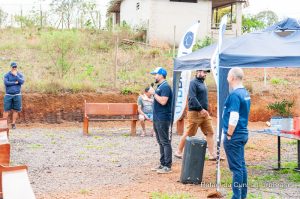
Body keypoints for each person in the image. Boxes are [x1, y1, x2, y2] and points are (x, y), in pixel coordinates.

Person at [174, 69, 218, 160]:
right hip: (195, 113)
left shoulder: (203, 83)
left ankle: (212, 154)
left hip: (204, 114)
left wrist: (205, 110)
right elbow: (192, 98)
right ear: (198, 72)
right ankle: (178, 152)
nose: (205, 74)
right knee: (189, 133)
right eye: (203, 72)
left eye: (206, 73)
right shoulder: (193, 83)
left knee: (210, 133)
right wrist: (200, 108)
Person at [222, 67, 251, 199]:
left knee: (236, 169)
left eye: (228, 75)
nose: (227, 77)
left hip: (235, 134)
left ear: (232, 77)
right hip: (243, 133)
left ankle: (236, 196)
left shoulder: (234, 94)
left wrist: (229, 134)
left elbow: (234, 116)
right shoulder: (245, 92)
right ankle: (242, 195)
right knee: (241, 166)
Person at [149, 67, 173, 174]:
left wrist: (154, 93)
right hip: (157, 118)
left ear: (161, 75)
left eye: (156, 74)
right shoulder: (160, 87)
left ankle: (167, 166)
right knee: (160, 142)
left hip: (163, 118)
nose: (155, 76)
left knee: (165, 142)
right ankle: (162, 163)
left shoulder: (166, 87)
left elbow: (163, 101)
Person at [3, 62, 25, 129]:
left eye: (15, 67)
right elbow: (6, 83)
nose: (14, 68)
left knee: (16, 110)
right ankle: (4, 125)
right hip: (8, 95)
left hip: (17, 95)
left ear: (17, 67)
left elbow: (22, 82)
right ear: (11, 67)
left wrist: (16, 76)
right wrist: (15, 82)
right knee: (6, 110)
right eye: (13, 67)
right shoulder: (6, 75)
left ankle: (13, 124)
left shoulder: (19, 75)